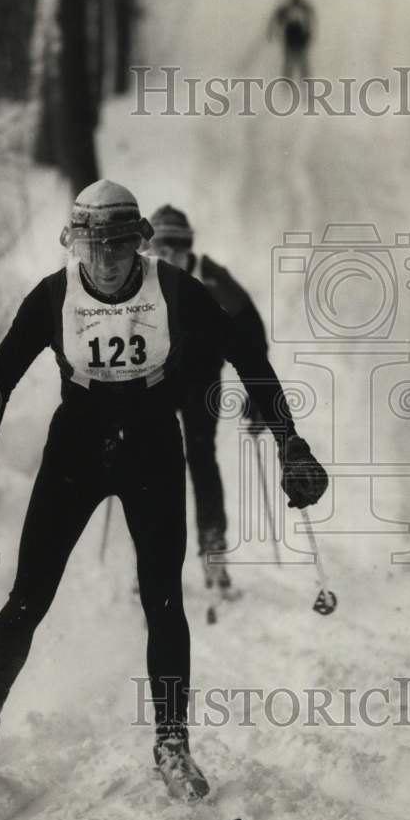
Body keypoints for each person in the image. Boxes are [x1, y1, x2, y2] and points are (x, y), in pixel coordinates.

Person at [0, 179, 328, 803]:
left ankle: (171, 742)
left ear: (139, 244)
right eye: (92, 247)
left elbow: (248, 354)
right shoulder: (54, 295)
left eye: (117, 247)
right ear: (75, 244)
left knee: (164, 599)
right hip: (76, 446)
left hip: (152, 446)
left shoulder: (175, 289)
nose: (105, 262)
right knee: (29, 595)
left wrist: (289, 443)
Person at [146, 204, 267, 608]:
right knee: (158, 465)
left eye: (177, 248)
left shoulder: (212, 277)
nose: (170, 257)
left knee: (201, 457)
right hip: (157, 380)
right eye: (161, 249)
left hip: (201, 379)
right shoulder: (141, 276)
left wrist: (260, 394)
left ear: (188, 247)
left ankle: (213, 551)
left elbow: (251, 331)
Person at [268, 0, 316, 81]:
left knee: (298, 60)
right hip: (293, 38)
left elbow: (310, 21)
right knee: (293, 60)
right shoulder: (290, 9)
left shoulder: (301, 8)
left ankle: (301, 78)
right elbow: (277, 18)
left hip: (298, 38)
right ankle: (292, 79)